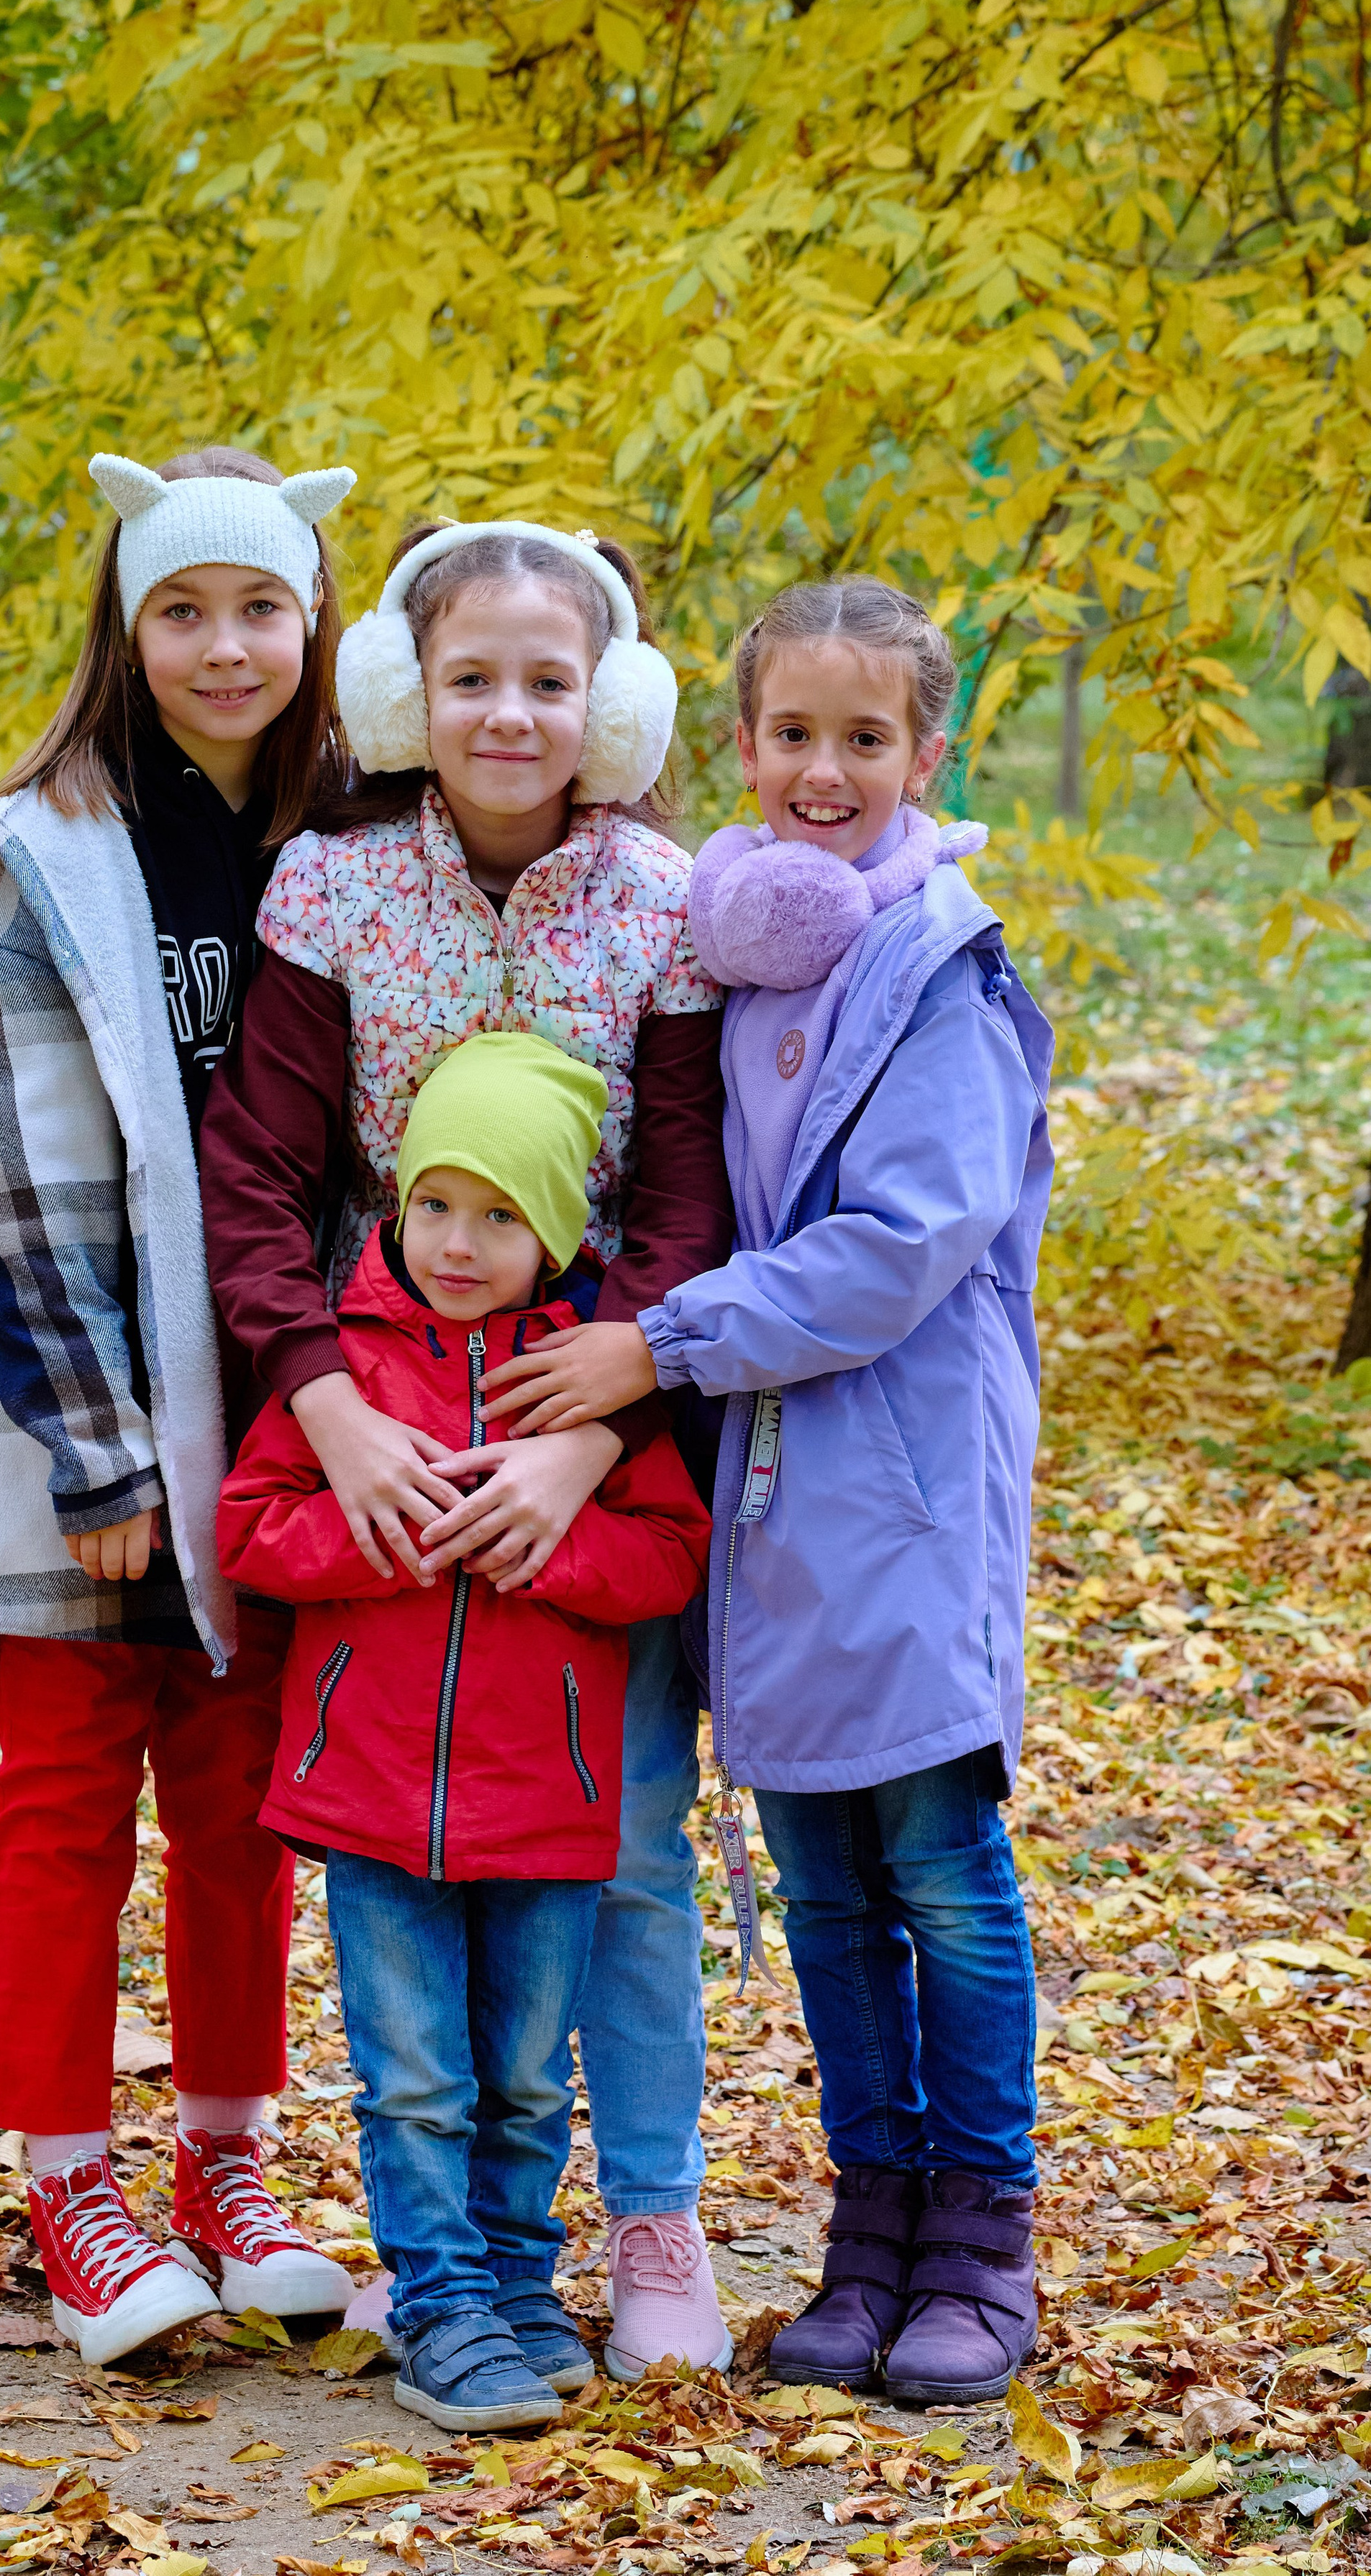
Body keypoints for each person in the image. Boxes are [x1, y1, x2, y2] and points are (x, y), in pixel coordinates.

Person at [201, 518, 739, 2378]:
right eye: (470, 678)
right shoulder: (332, 893)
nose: (509, 712)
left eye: (548, 679)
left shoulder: (670, 898)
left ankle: (651, 2215)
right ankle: (445, 2258)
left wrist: (603, 1426)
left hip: (602, 1398)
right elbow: (261, 1180)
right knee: (399, 1842)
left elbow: (683, 1187)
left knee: (632, 1845)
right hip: (381, 1398)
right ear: (402, 699)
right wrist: (327, 1408)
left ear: (613, 705)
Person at [0, 447, 361, 2364]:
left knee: (243, 1806)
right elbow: (8, 1183)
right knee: (70, 1794)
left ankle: (225, 2164)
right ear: (127, 624)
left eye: (260, 605)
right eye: (183, 608)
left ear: (314, 619)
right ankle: (70, 2178)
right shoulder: (38, 856)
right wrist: (97, 1446)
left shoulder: (343, 847)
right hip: (80, 1403)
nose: (224, 644)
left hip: (283, 1409)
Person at [608, 575, 1055, 2405]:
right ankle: (866, 2236)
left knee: (940, 1871)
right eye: (790, 733)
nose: (819, 768)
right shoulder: (749, 957)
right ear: (742, 744)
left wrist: (668, 1341)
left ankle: (979, 2241)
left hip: (906, 1488)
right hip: (769, 1507)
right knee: (815, 1884)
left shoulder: (932, 975)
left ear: (920, 755)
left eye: (860, 739)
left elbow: (905, 1242)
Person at [217, 1034, 714, 2427]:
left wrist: (544, 1547)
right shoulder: (346, 1368)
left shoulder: (579, 1381)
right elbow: (252, 1529)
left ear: (555, 1231)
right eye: (434, 1202)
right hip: (372, 1799)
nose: (457, 1240)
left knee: (519, 2072)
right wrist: (386, 1536)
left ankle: (509, 2286)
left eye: (500, 1215)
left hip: (547, 1800)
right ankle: (438, 2307)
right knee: (418, 2074)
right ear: (394, 1198)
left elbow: (665, 1552)